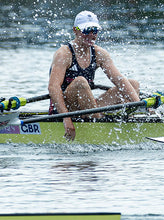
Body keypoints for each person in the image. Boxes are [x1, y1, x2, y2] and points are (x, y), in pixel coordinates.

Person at [48, 11, 140, 141]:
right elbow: (53, 88)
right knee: (80, 82)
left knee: (132, 84)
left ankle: (124, 117)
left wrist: (138, 104)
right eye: (87, 30)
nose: (91, 35)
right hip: (65, 109)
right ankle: (101, 124)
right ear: (76, 30)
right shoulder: (64, 54)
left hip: (86, 107)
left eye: (95, 30)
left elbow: (120, 80)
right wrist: (66, 119)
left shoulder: (99, 53)